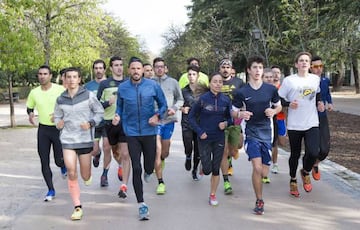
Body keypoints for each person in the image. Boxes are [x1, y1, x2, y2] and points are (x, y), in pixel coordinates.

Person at [113, 57, 167, 220]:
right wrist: (117, 117)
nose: (136, 71)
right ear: (129, 70)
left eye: (138, 68)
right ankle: (141, 204)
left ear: (143, 70)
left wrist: (157, 116)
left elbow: (163, 105)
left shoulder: (152, 86)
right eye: (133, 68)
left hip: (149, 131)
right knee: (136, 167)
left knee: (148, 166)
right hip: (132, 133)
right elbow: (119, 108)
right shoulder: (123, 88)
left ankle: (149, 171)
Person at [232, 56, 282, 215]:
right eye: (254, 67)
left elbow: (279, 106)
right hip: (251, 133)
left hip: (267, 132)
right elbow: (233, 112)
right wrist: (241, 113)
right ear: (248, 70)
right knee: (257, 167)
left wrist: (273, 111)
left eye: (260, 67)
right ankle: (259, 200)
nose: (257, 70)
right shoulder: (242, 92)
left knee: (264, 172)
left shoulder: (270, 90)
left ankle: (259, 193)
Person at [54, 67, 104, 220]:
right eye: (68, 77)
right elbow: (57, 116)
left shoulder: (88, 96)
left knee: (85, 174)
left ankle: (88, 176)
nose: (71, 80)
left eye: (74, 77)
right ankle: (77, 206)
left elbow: (99, 112)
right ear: (65, 79)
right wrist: (58, 123)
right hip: (68, 139)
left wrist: (90, 123)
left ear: (79, 79)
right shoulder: (60, 99)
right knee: (71, 171)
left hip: (84, 139)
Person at [278, 51, 324, 197]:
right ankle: (293, 179)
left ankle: (305, 171)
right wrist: (289, 103)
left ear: (310, 65)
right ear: (296, 64)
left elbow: (317, 93)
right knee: (295, 154)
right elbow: (279, 99)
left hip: (311, 122)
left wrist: (319, 102)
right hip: (294, 124)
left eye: (306, 61)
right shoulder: (289, 81)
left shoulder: (315, 79)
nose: (304, 63)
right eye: (301, 60)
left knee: (313, 152)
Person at [188, 72, 232, 206]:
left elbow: (230, 118)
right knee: (207, 169)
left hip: (219, 138)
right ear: (210, 83)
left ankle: (212, 195)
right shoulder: (202, 99)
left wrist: (225, 124)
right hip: (204, 138)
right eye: (215, 81)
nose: (218, 84)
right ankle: (202, 166)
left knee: (215, 168)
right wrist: (200, 131)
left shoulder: (226, 100)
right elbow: (191, 117)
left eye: (220, 82)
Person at [26, 65, 67, 202]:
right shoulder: (34, 92)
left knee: (58, 159)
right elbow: (29, 106)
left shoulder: (60, 89)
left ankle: (62, 166)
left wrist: (59, 115)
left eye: (45, 74)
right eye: (40, 74)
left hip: (57, 129)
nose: (42, 76)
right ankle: (50, 189)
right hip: (43, 130)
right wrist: (31, 113)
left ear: (50, 76)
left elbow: (68, 105)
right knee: (44, 161)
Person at [97, 56, 131, 199]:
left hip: (124, 122)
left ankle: (123, 184)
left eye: (121, 64)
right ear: (111, 68)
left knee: (124, 153)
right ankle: (105, 173)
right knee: (107, 148)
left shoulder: (128, 83)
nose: (119, 67)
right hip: (108, 121)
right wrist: (107, 103)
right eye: (116, 65)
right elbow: (96, 104)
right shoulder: (105, 84)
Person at [152, 57, 184, 195]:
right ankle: (160, 182)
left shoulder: (173, 82)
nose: (159, 69)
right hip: (155, 121)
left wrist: (175, 108)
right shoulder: (148, 83)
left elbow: (180, 99)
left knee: (164, 151)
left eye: (161, 66)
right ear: (153, 69)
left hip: (169, 120)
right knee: (157, 151)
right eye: (157, 66)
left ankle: (162, 159)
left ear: (166, 68)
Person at [219, 58, 245, 194]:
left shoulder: (239, 83)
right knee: (223, 150)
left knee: (236, 148)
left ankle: (230, 156)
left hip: (235, 120)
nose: (225, 69)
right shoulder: (216, 80)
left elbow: (246, 98)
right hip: (219, 121)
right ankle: (226, 181)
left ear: (231, 69)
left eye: (228, 67)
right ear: (220, 69)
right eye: (223, 67)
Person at [181, 65, 207, 180]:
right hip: (187, 122)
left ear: (198, 75)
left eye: (194, 74)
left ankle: (195, 170)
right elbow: (178, 102)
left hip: (200, 123)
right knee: (188, 145)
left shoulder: (204, 89)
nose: (191, 77)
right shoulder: (183, 90)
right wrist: (182, 108)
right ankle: (187, 156)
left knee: (198, 148)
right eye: (189, 74)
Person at [310, 56, 333, 181]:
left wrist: (329, 103)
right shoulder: (307, 82)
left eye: (320, 66)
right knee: (312, 149)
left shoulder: (325, 80)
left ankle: (316, 163)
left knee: (324, 150)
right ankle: (306, 169)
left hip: (322, 117)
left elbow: (327, 94)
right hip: (310, 118)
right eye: (315, 67)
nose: (319, 69)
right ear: (310, 68)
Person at [84, 59, 108, 168]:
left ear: (104, 70)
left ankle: (105, 175)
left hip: (108, 121)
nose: (98, 70)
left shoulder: (110, 84)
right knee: (94, 150)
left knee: (108, 147)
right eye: (96, 68)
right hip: (94, 122)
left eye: (100, 68)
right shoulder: (87, 86)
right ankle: (97, 154)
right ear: (93, 70)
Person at [270, 65, 287, 174]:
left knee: (282, 142)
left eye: (278, 73)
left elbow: (287, 104)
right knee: (274, 143)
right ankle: (275, 164)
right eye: (274, 73)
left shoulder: (284, 88)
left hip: (281, 119)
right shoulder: (267, 88)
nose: (276, 75)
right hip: (271, 119)